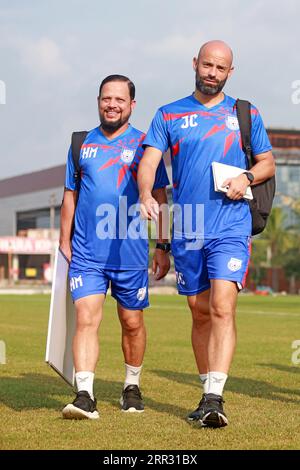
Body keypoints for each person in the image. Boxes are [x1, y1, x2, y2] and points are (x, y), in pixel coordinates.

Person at [138, 41, 275, 428]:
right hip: (188, 230)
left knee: (221, 307)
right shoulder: (169, 114)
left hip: (231, 227)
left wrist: (246, 176)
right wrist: (147, 195)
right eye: (207, 65)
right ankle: (206, 393)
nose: (212, 73)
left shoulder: (245, 113)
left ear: (230, 72)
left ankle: (215, 397)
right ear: (195, 64)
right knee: (198, 312)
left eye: (221, 68)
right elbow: (149, 161)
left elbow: (267, 163)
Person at [60, 75, 170, 420]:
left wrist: (162, 245)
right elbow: (70, 195)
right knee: (86, 318)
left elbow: (162, 198)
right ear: (98, 101)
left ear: (132, 105)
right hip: (87, 252)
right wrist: (64, 240)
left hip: (130, 254)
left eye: (120, 100)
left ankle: (131, 386)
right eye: (107, 98)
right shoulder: (81, 143)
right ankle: (84, 395)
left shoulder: (145, 145)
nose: (112, 105)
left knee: (132, 321)